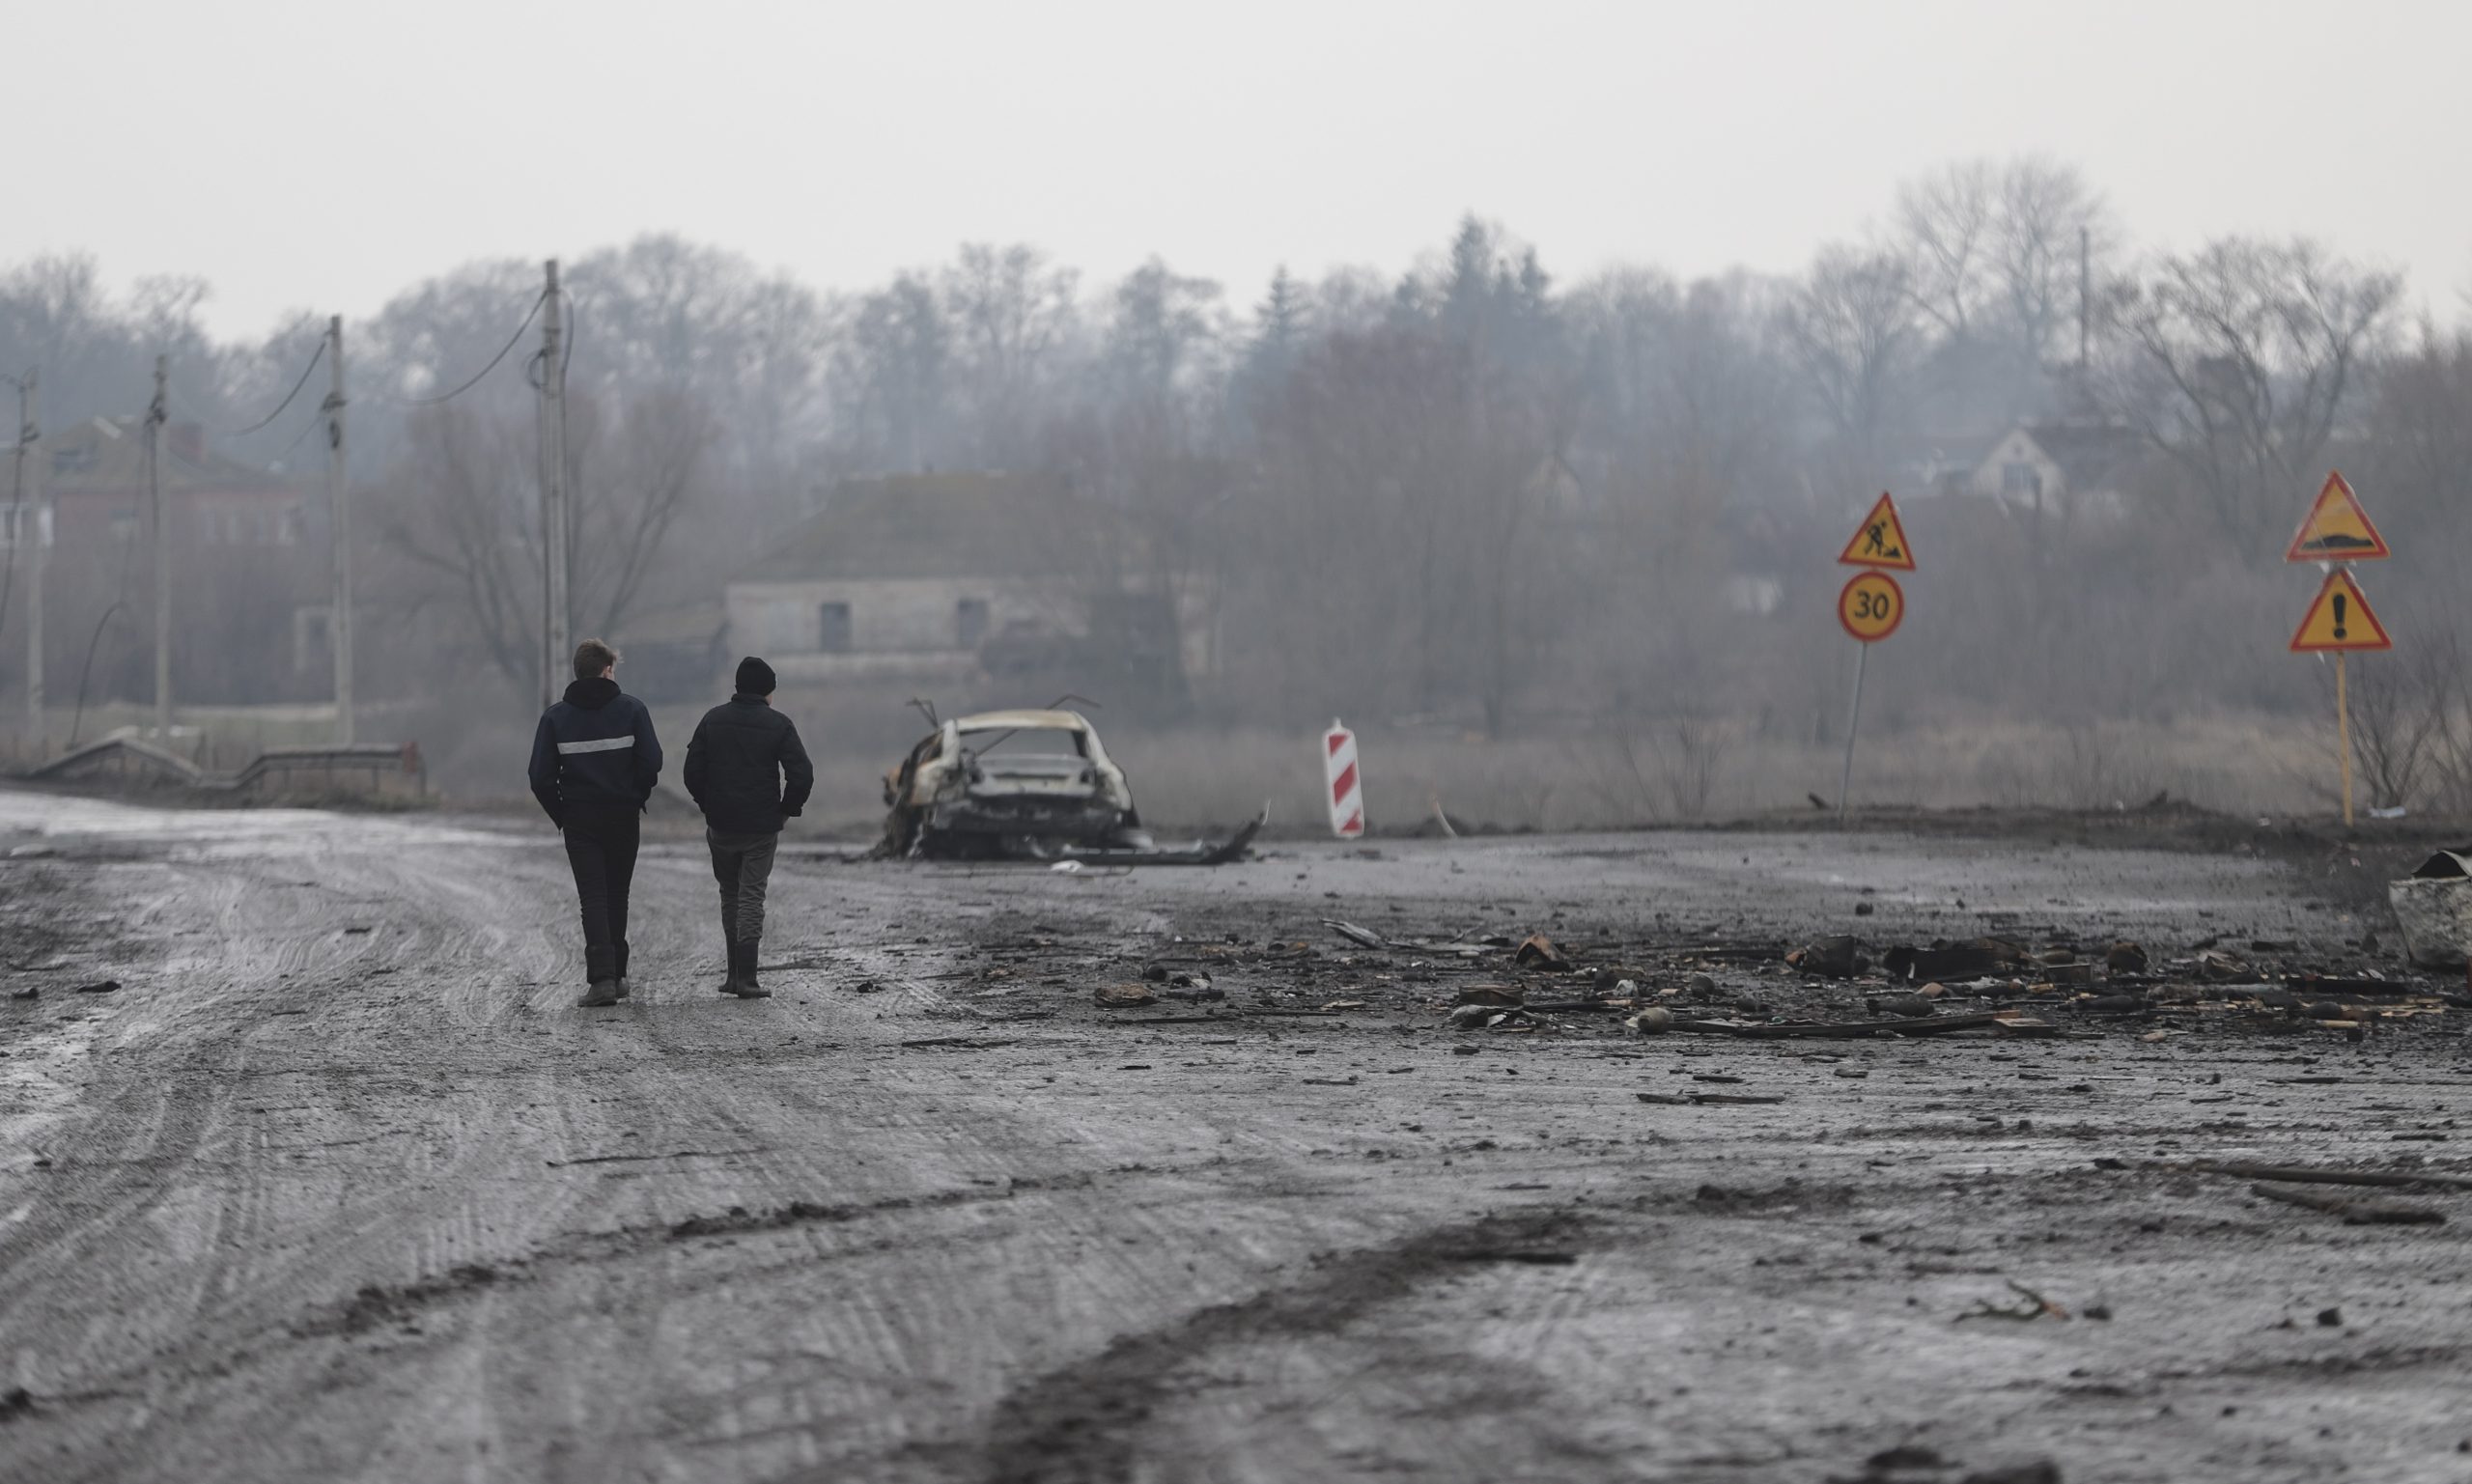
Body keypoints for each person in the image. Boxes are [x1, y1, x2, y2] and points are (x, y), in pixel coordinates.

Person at [527, 639, 663, 1008]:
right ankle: (618, 976)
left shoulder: (555, 718)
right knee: (618, 894)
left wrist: (563, 812)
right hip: (623, 816)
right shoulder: (633, 710)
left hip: (580, 819)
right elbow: (652, 761)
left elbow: (539, 776)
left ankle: (601, 980)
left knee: (593, 897)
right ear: (606, 670)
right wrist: (635, 795)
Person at [683, 657, 814, 999]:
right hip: (760, 827)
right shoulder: (779, 724)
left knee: (730, 893)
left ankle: (732, 975)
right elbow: (802, 774)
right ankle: (749, 980)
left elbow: (692, 771)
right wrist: (785, 811)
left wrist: (707, 805)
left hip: (722, 825)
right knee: (752, 895)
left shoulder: (712, 720)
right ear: (767, 691)